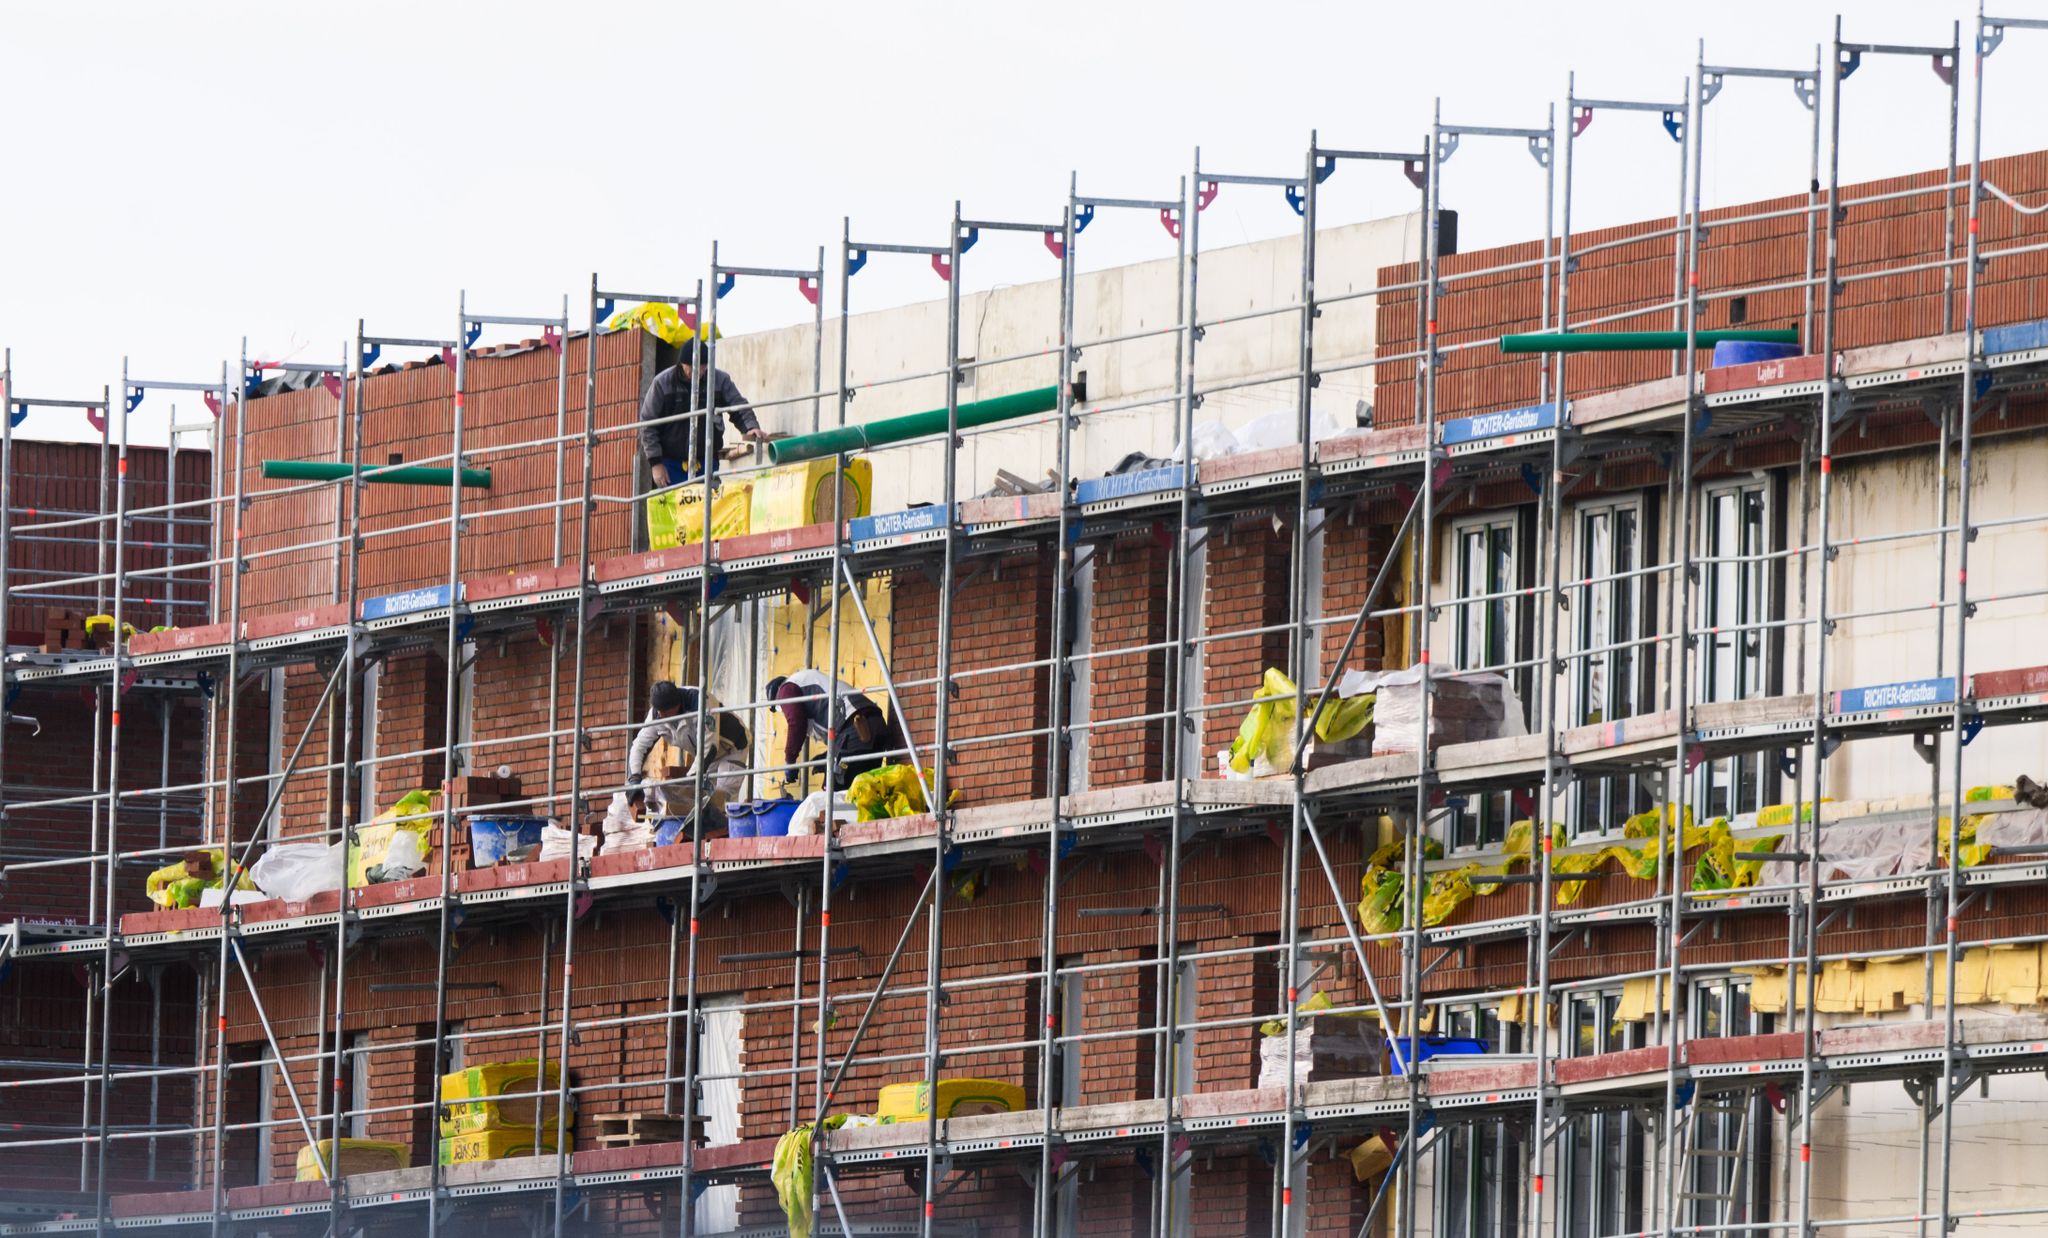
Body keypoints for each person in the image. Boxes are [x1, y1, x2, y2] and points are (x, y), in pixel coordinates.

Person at [637, 337, 770, 486]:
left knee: (708, 505)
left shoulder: (719, 380)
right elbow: (648, 424)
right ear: (682, 363)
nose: (698, 371)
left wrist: (751, 427)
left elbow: (737, 406)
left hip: (706, 461)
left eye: (702, 367)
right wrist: (656, 464)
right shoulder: (662, 383)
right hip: (671, 464)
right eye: (692, 367)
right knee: (674, 507)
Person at [767, 670, 905, 791]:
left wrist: (790, 760)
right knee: (864, 790)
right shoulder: (803, 683)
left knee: (834, 791)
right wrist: (827, 756)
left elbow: (797, 723)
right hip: (871, 725)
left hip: (856, 727)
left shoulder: (785, 690)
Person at [625, 680, 750, 814]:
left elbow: (709, 747)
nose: (661, 715)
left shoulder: (701, 702)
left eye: (665, 712)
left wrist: (688, 783)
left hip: (732, 747)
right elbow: (639, 746)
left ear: (677, 705)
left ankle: (731, 830)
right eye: (658, 711)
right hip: (708, 756)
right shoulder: (656, 715)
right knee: (707, 801)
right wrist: (634, 779)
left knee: (724, 797)